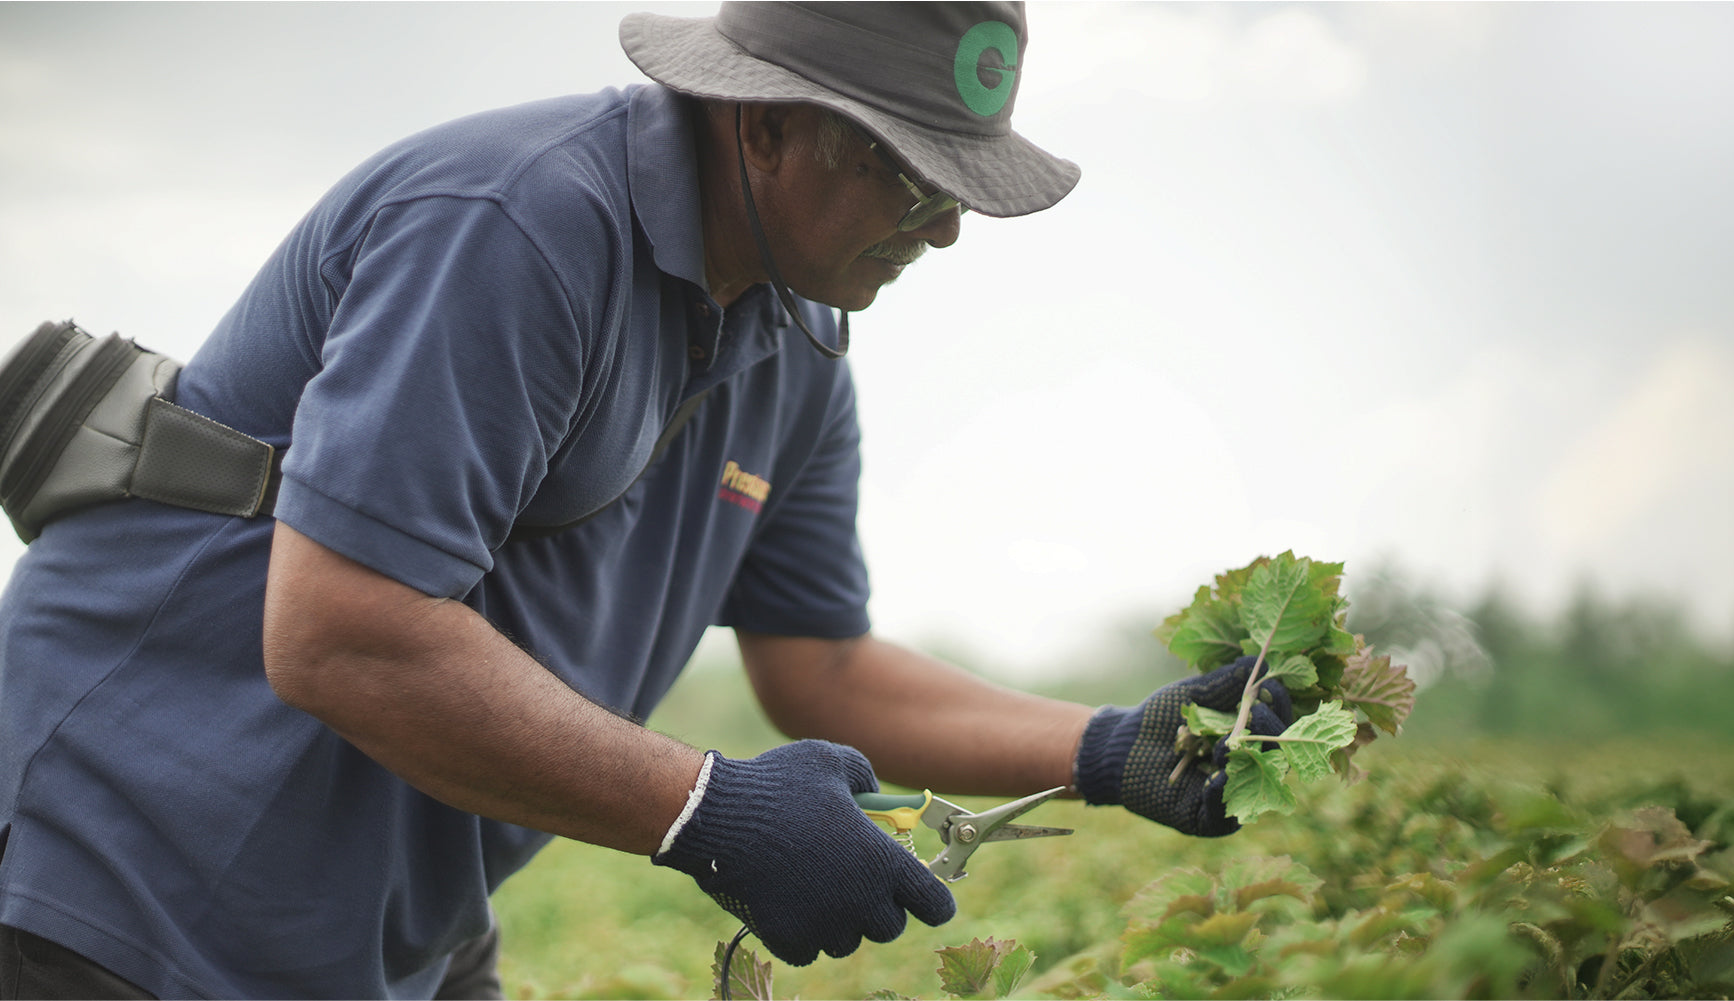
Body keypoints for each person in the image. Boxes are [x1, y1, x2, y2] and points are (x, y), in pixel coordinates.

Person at [0, 4, 1290, 999]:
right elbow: (343, 630)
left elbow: (823, 668)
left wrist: (1109, 748)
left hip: (381, 927)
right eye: (909, 175)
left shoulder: (798, 345)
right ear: (764, 121)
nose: (942, 230)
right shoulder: (520, 225)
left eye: (960, 188)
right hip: (110, 882)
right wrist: (705, 809)